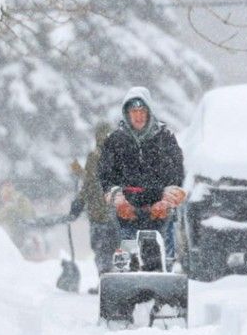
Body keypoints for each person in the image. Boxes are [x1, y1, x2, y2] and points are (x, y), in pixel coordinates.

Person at [97, 87, 186, 261]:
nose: (138, 116)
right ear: (127, 113)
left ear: (149, 112)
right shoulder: (115, 140)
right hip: (126, 213)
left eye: (142, 111)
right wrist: (119, 199)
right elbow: (106, 176)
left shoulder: (165, 138)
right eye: (133, 111)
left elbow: (177, 174)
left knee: (162, 257)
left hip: (160, 213)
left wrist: (165, 202)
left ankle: (164, 272)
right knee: (126, 256)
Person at [69, 122, 117, 277]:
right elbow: (89, 183)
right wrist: (80, 201)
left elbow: (91, 183)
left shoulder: (116, 157)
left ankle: (108, 281)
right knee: (103, 249)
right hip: (101, 213)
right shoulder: (96, 157)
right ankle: (106, 281)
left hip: (108, 214)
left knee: (106, 249)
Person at [0, 180, 36, 254]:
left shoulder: (12, 204)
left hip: (20, 229)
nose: (2, 199)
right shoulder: (20, 198)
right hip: (26, 228)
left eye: (3, 196)